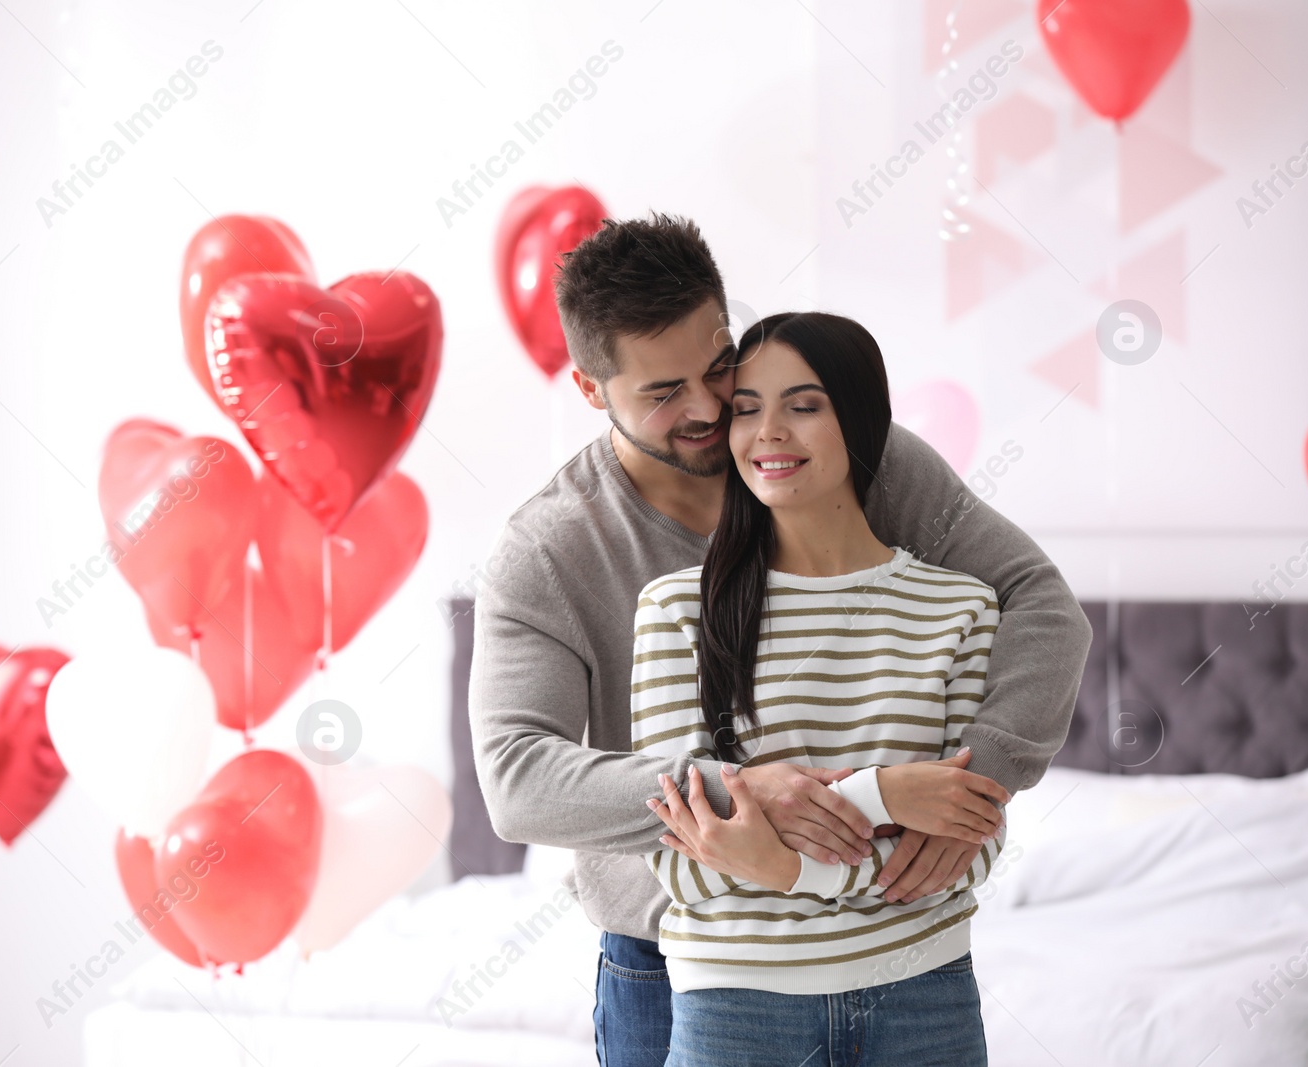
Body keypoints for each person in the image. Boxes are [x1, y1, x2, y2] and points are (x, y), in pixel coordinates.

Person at [466, 213, 1091, 1067]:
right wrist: (734, 792)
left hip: (897, 943)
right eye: (660, 391)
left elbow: (1041, 601)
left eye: (715, 366)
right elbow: (518, 779)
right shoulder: (551, 549)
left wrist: (975, 781)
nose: (708, 408)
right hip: (676, 961)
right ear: (588, 387)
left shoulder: (844, 458)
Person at [634, 310, 1008, 1065]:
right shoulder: (676, 609)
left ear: (860, 419)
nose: (767, 431)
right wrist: (888, 798)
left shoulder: (959, 608)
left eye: (803, 405)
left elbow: (971, 846)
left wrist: (787, 866)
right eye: (747, 409)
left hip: (923, 1002)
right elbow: (675, 853)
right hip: (735, 1012)